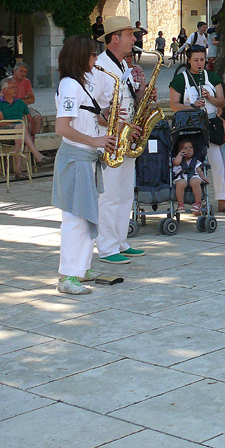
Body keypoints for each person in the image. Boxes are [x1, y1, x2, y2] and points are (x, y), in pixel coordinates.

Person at [53, 35, 118, 295]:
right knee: (75, 219)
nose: (95, 59)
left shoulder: (80, 84)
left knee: (84, 217)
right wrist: (97, 140)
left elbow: (86, 117)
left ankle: (81, 269)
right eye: (92, 54)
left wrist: (112, 121)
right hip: (76, 158)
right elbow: (62, 127)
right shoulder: (70, 85)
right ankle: (67, 276)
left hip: (86, 158)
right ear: (81, 56)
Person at [92, 16, 146, 265]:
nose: (134, 39)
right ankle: (106, 246)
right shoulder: (100, 68)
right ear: (115, 38)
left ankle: (120, 241)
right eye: (130, 34)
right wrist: (120, 125)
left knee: (125, 194)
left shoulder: (123, 66)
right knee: (110, 195)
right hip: (110, 140)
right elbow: (93, 111)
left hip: (126, 138)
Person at [168, 45, 225, 214]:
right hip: (189, 128)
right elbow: (173, 105)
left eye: (202, 60)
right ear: (189, 60)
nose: (200, 63)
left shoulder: (212, 77)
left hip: (210, 124)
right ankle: (194, 201)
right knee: (189, 165)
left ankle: (222, 200)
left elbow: (221, 102)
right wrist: (191, 106)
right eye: (196, 60)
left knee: (218, 163)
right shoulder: (180, 79)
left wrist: (209, 98)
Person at [0, 77, 45, 180]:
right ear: (4, 90)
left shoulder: (20, 103)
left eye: (16, 87)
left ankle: (18, 171)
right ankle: (37, 155)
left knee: (20, 135)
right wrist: (18, 123)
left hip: (18, 132)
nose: (16, 89)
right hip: (2, 133)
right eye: (13, 87)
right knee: (21, 126)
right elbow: (0, 122)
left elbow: (30, 119)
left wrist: (32, 134)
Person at [172, 138, 207, 214]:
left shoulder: (195, 161)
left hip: (194, 176)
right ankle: (180, 204)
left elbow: (199, 171)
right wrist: (180, 154)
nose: (188, 150)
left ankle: (198, 202)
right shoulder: (178, 160)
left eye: (191, 148)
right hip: (182, 177)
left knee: (195, 182)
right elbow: (176, 163)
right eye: (185, 148)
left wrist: (203, 177)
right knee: (180, 183)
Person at [11, 63, 43, 138]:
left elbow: (32, 99)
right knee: (23, 120)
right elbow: (9, 101)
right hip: (11, 108)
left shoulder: (27, 82)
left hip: (24, 108)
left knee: (37, 118)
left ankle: (34, 140)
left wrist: (18, 101)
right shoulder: (8, 82)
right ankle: (25, 142)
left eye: (25, 72)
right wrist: (25, 100)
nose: (23, 74)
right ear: (15, 71)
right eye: (21, 71)